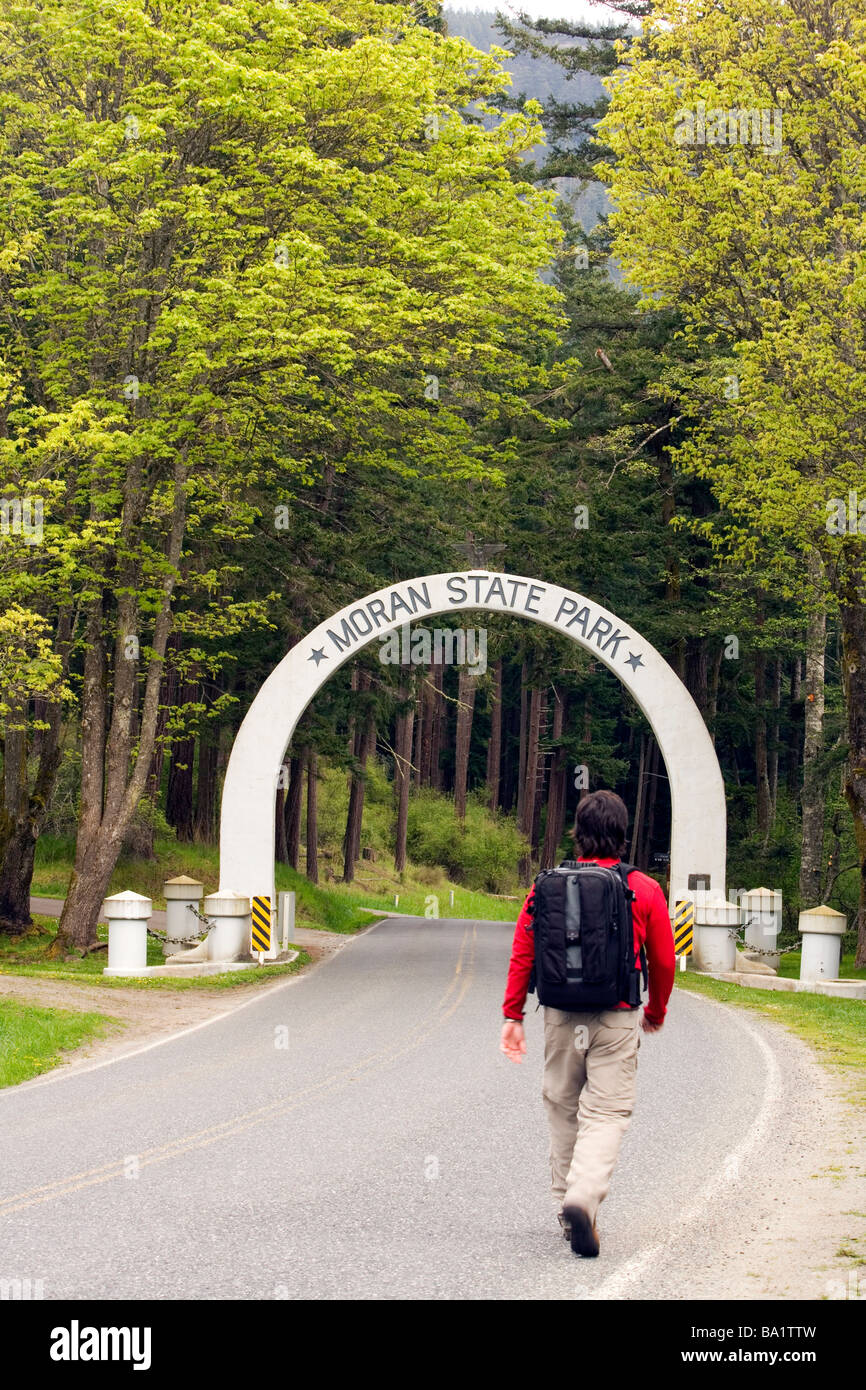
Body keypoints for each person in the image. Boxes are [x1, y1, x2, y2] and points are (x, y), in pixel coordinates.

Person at [500, 788, 675, 1257]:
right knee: (607, 1111)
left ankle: (565, 1207)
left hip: (559, 1015)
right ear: (622, 834)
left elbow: (524, 950)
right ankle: (584, 1196)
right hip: (615, 1016)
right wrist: (655, 1010)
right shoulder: (645, 888)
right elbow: (662, 960)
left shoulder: (546, 884)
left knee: (562, 1106)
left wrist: (513, 1014)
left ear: (577, 833)